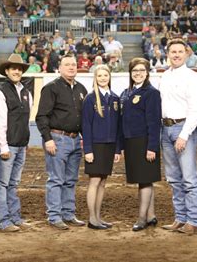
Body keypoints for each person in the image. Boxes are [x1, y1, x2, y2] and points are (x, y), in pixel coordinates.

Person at [35, 54, 88, 230]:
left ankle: (68, 213)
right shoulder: (51, 88)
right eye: (67, 65)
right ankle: (54, 216)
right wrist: (47, 139)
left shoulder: (81, 89)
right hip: (57, 139)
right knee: (56, 179)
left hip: (75, 140)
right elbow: (41, 116)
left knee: (71, 179)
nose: (72, 67)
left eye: (74, 64)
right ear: (60, 67)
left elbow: (84, 117)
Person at [160, 39, 197, 234]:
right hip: (165, 128)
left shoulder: (192, 77)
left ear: (186, 54)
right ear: (167, 54)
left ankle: (193, 220)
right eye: (172, 52)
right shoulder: (164, 76)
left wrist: (184, 135)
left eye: (179, 51)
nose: (176, 55)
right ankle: (180, 217)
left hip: (183, 128)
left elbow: (195, 110)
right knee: (173, 178)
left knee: (189, 178)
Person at [120, 57, 161, 231]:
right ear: (130, 73)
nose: (138, 74)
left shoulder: (151, 93)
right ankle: (151, 216)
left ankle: (142, 218)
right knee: (144, 181)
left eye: (141, 71)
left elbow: (154, 122)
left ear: (147, 73)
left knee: (144, 181)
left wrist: (152, 147)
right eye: (135, 71)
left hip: (144, 142)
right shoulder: (126, 92)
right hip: (131, 143)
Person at [0, 54, 33, 232]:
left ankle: (15, 217)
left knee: (13, 183)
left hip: (21, 144)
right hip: (8, 145)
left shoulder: (26, 92)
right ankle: (2, 221)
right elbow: (0, 121)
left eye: (19, 68)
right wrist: (3, 146)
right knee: (2, 184)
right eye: (13, 68)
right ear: (7, 71)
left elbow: (26, 120)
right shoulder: (1, 91)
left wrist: (25, 143)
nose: (17, 71)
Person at [82, 65, 121, 230]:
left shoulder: (115, 98)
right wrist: (88, 150)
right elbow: (86, 126)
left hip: (110, 146)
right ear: (95, 78)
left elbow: (119, 127)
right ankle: (92, 218)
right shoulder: (90, 99)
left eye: (106, 75)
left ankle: (98, 217)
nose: (103, 78)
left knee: (103, 182)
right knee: (95, 180)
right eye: (100, 76)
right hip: (96, 146)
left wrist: (118, 149)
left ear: (110, 77)